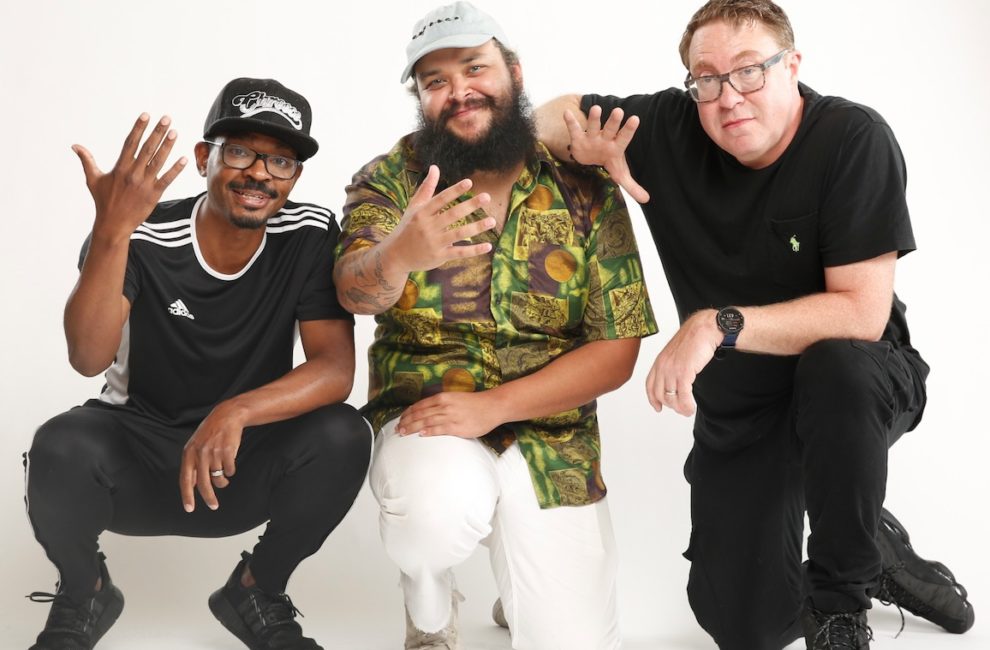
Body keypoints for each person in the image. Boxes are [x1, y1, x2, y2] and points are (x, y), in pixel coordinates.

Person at [536, 1, 975, 649]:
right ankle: (868, 540)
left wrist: (718, 324)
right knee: (747, 625)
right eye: (705, 78)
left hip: (860, 382)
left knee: (837, 365)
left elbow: (860, 312)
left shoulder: (851, 140)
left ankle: (840, 603)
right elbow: (544, 116)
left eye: (750, 71)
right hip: (745, 411)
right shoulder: (668, 127)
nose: (727, 96)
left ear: (792, 66)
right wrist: (586, 145)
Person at [333, 3, 657, 648]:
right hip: (432, 414)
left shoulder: (585, 189)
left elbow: (617, 349)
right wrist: (400, 253)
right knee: (432, 516)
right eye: (434, 82)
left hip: (551, 436)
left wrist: (497, 406)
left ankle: (526, 586)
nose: (458, 92)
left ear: (513, 72)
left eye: (474, 68)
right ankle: (429, 604)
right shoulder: (391, 180)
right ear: (420, 98)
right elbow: (353, 290)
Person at [23, 78, 371, 650]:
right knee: (58, 445)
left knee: (344, 433)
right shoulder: (140, 232)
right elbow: (87, 358)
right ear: (205, 158)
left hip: (238, 463)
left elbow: (335, 370)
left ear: (295, 177)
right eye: (241, 152)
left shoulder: (307, 234)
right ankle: (83, 593)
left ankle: (257, 590)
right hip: (138, 459)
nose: (260, 173)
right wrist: (112, 228)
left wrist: (236, 411)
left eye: (281, 161)